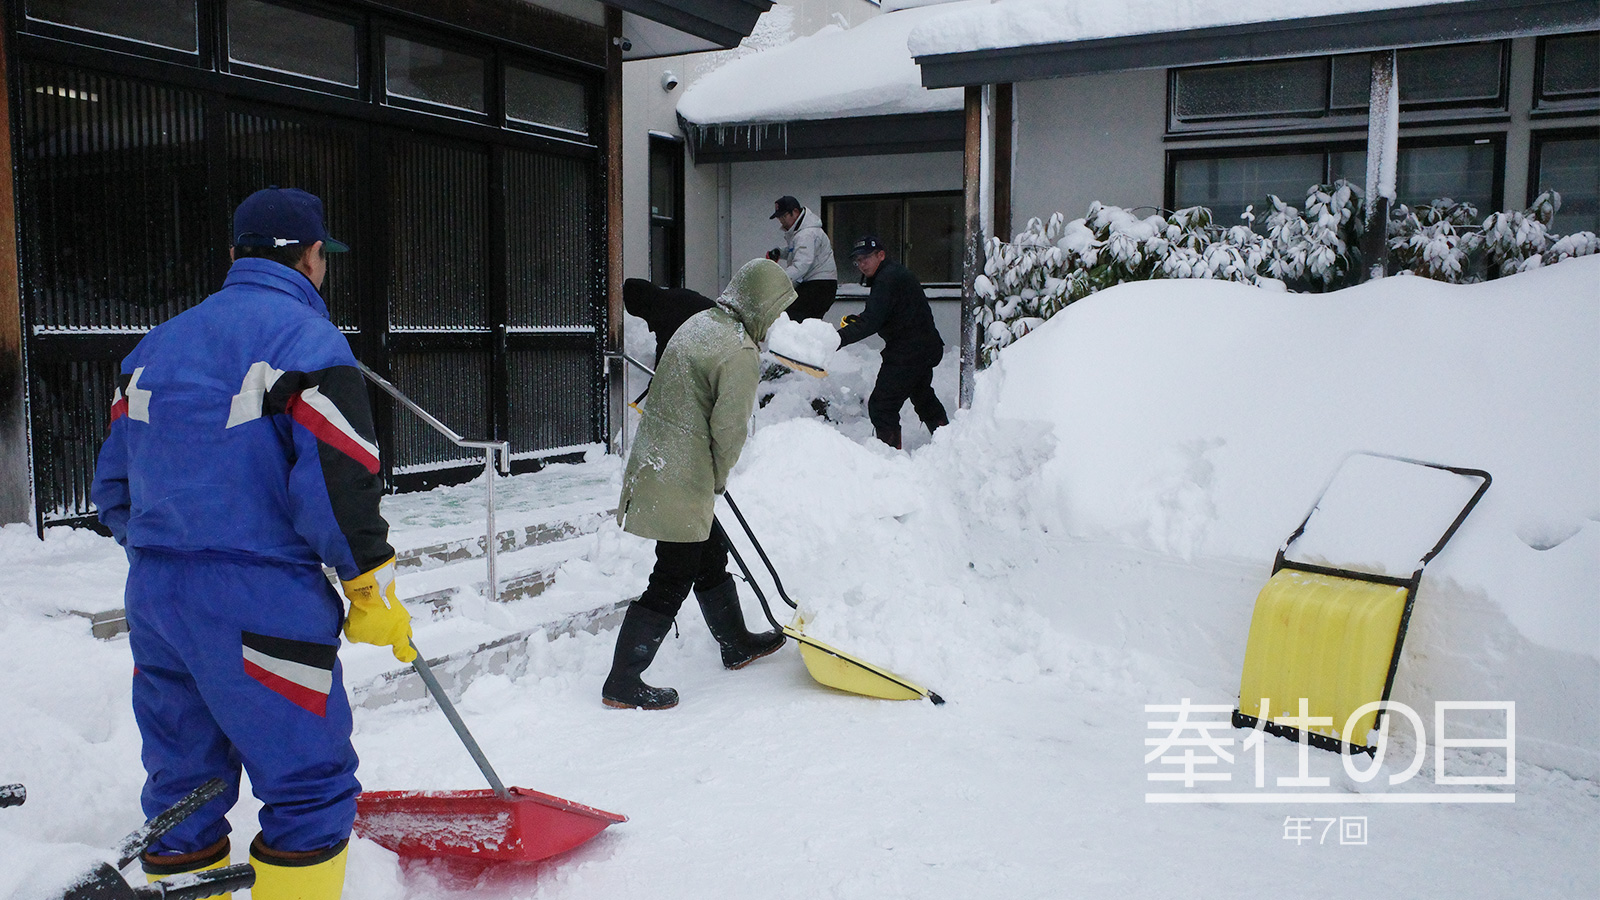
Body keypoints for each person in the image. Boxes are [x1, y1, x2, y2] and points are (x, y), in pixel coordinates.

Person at [92, 187, 415, 897]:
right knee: (307, 784)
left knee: (184, 786)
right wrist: (368, 585)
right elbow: (339, 481)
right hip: (263, 601)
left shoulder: (152, 350)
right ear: (312, 257)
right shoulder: (309, 346)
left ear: (235, 253)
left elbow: (113, 488)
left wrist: (172, 551)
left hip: (157, 599)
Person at [605, 258, 797, 709]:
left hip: (658, 460)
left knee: (710, 552)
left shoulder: (700, 324)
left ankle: (735, 642)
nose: (774, 320)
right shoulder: (738, 350)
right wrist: (719, 475)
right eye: (775, 308)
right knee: (673, 574)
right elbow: (728, 429)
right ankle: (622, 680)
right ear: (760, 304)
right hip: (683, 475)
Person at [838, 235, 950, 449]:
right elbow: (884, 313)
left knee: (882, 406)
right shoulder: (892, 275)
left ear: (881, 255)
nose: (862, 264)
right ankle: (949, 444)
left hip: (909, 351)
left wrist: (836, 339)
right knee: (922, 396)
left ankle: (889, 459)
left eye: (866, 258)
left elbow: (873, 321)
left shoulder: (886, 279)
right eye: (858, 260)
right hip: (924, 347)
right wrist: (860, 321)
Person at [765, 195, 838, 323]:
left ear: (795, 212)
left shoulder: (806, 234)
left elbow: (802, 264)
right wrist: (780, 253)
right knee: (799, 321)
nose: (781, 221)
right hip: (821, 285)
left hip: (818, 286)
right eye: (779, 217)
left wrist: (778, 280)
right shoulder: (802, 232)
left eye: (783, 216)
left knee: (790, 319)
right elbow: (797, 251)